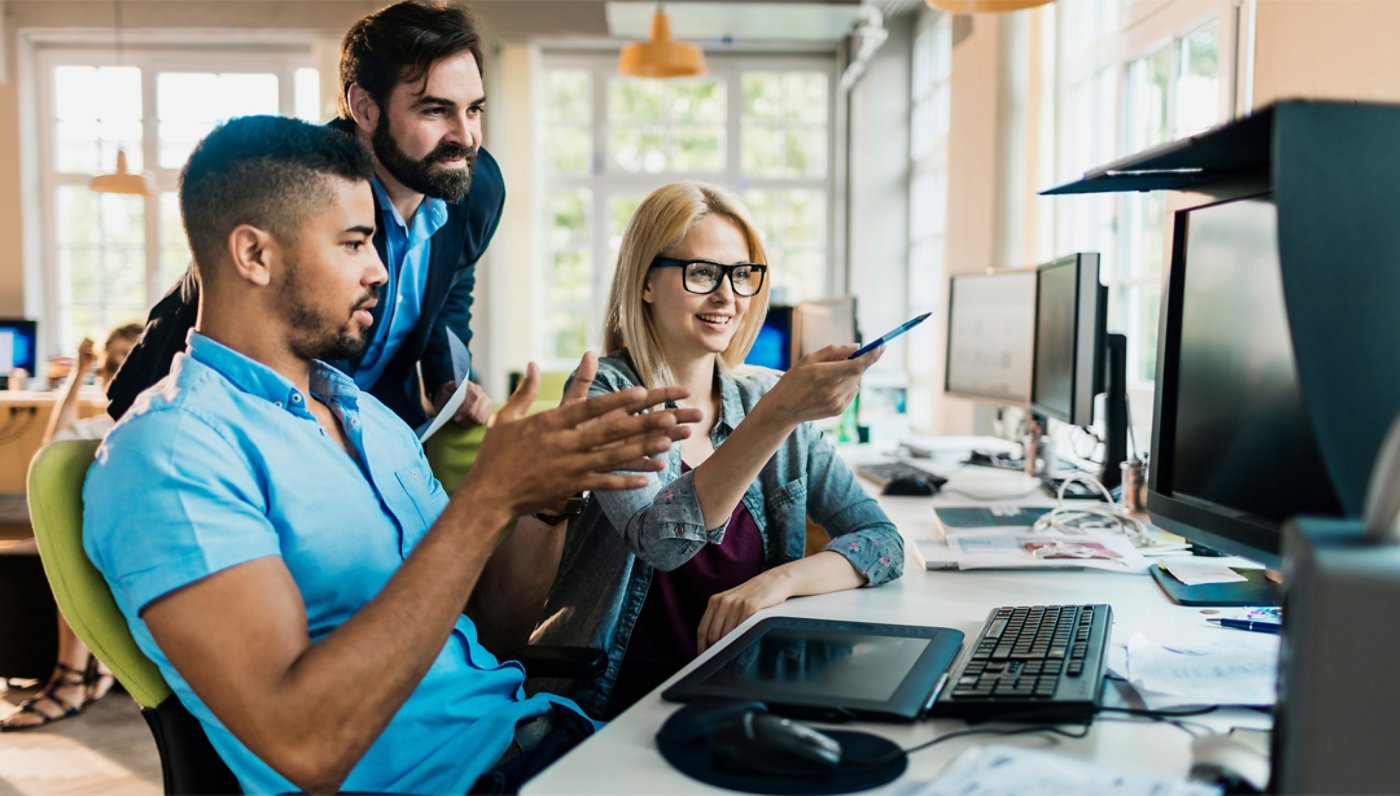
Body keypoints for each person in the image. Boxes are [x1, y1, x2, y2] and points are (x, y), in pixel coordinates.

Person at [83, 116, 699, 794]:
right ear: (254, 255)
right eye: (354, 243)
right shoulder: (172, 454)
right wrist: (485, 498)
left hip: (540, 739)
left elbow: (492, 626)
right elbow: (304, 744)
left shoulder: (366, 416)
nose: (381, 270)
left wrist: (544, 503)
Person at [530, 182, 905, 718]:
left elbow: (883, 542)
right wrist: (777, 415)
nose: (727, 296)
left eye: (741, 275)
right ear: (645, 284)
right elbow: (659, 542)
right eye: (702, 272)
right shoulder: (606, 395)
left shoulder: (768, 397)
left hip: (746, 696)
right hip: (615, 706)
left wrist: (781, 581)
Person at [107, 0, 501, 429]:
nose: (466, 137)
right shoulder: (303, 182)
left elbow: (451, 286)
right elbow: (225, 308)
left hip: (378, 420)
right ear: (365, 108)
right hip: (247, 417)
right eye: (436, 110)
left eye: (474, 109)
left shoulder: (477, 188)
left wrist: (448, 382)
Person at [1, 324, 139, 731]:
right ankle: (79, 675)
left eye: (130, 355)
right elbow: (51, 447)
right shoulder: (96, 426)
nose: (121, 363)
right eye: (115, 357)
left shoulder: (158, 418)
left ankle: (78, 677)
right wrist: (80, 373)